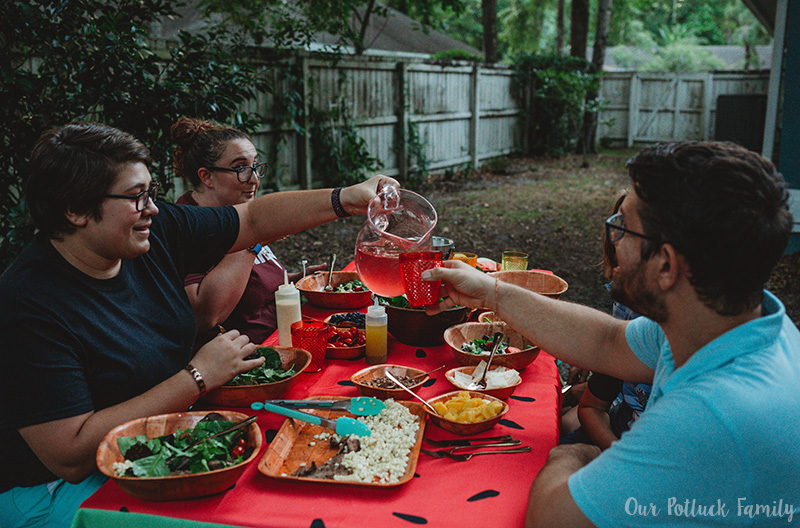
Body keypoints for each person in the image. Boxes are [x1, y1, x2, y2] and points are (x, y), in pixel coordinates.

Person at [0, 122, 397, 527]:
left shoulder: (153, 232)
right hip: (57, 494)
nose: (152, 208)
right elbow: (71, 454)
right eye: (136, 197)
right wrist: (197, 376)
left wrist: (346, 198)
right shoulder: (28, 306)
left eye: (151, 193)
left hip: (163, 437)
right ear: (75, 210)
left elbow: (253, 221)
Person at [422, 141, 799, 527]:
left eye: (622, 228)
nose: (613, 240)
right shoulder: (726, 321)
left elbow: (551, 518)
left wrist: (570, 456)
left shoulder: (707, 417)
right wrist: (490, 292)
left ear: (667, 265)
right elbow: (607, 342)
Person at [170, 117, 325, 347]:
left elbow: (250, 283)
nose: (253, 179)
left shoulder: (235, 208)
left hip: (286, 336)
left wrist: (295, 279)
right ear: (206, 176)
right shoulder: (187, 226)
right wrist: (255, 235)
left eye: (255, 166)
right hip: (250, 361)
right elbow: (204, 316)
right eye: (240, 168)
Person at [562, 193, 651, 449]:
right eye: (615, 226)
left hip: (628, 429)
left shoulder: (668, 334)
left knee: (565, 434)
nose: (615, 241)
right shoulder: (631, 302)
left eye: (626, 230)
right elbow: (611, 352)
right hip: (622, 407)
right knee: (562, 401)